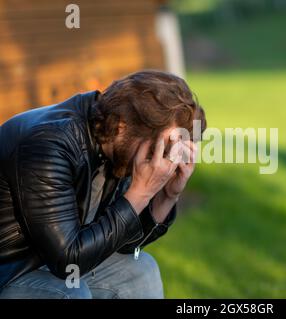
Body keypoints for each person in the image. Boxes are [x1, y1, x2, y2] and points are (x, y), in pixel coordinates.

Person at [0, 70, 206, 299]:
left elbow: (122, 245)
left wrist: (167, 195)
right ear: (121, 126)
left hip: (46, 262)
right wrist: (140, 193)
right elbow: (69, 261)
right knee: (70, 293)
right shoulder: (50, 145)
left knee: (141, 272)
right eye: (156, 149)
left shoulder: (116, 140)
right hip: (10, 272)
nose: (160, 161)